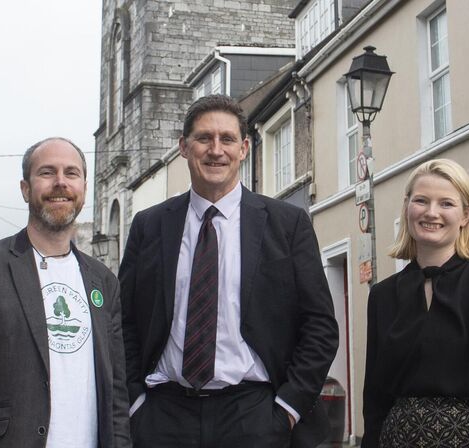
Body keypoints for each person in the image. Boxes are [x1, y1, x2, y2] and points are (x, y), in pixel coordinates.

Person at [120, 94, 339, 448]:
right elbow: (124, 322)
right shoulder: (149, 226)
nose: (215, 150)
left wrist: (287, 408)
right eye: (204, 138)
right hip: (163, 417)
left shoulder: (287, 224)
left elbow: (320, 326)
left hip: (254, 416)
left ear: (244, 148)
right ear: (184, 148)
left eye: (227, 139)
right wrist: (136, 403)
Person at [0, 138, 130, 448]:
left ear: (84, 189)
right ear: (26, 188)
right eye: (47, 172)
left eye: (71, 173)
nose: (61, 182)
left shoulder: (104, 281)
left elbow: (117, 391)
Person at [361, 159, 469, 447]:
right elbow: (374, 398)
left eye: (446, 203)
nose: (431, 212)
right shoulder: (382, 296)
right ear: (408, 206)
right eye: (421, 200)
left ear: (466, 215)